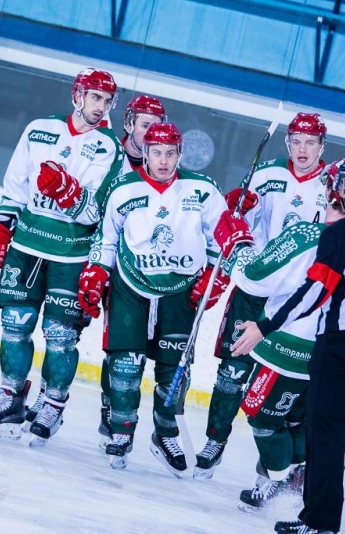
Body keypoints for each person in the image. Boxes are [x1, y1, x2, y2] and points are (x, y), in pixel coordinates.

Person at [231, 154, 345, 534]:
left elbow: (315, 291)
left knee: (325, 434)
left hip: (342, 345)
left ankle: (319, 523)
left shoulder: (341, 231)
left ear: (343, 189)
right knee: (330, 428)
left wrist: (264, 327)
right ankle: (316, 517)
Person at [0, 68, 124, 447]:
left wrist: (66, 191)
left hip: (71, 254)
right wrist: (1, 226)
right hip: (26, 246)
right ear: (77, 95)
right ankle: (10, 399)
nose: (100, 107)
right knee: (15, 323)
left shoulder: (109, 147)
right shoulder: (39, 128)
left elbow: (95, 213)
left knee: (60, 335)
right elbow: (15, 186)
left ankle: (52, 406)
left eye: (107, 101)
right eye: (94, 97)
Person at [78, 122, 229, 473]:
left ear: (180, 154)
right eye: (157, 152)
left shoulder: (202, 189)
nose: (163, 160)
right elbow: (107, 238)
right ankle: (122, 431)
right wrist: (98, 271)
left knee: (173, 369)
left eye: (170, 153)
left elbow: (221, 240)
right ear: (145, 152)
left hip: (181, 291)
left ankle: (165, 432)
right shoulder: (123, 188)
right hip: (131, 287)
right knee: (126, 365)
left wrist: (214, 273)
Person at [194, 112, 329, 479]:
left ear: (322, 146)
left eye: (310, 143)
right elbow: (240, 226)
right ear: (287, 142)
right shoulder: (267, 174)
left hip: (298, 299)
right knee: (232, 372)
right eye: (297, 141)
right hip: (257, 285)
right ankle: (215, 441)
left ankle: (273, 470)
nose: (303, 149)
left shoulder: (331, 185)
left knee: (281, 384)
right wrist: (241, 207)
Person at [210, 162, 345, 512]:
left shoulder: (305, 234)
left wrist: (237, 241)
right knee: (300, 417)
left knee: (262, 415)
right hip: (334, 354)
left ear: (330, 192)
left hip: (288, 346)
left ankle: (278, 478)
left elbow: (254, 277)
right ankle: (295, 473)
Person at [95, 94, 167, 450]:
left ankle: (114, 408)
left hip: (139, 271)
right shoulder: (108, 154)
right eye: (144, 124)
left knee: (127, 348)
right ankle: (103, 403)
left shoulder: (162, 164)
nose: (150, 131)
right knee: (104, 343)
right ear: (129, 124)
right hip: (96, 255)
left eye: (156, 125)